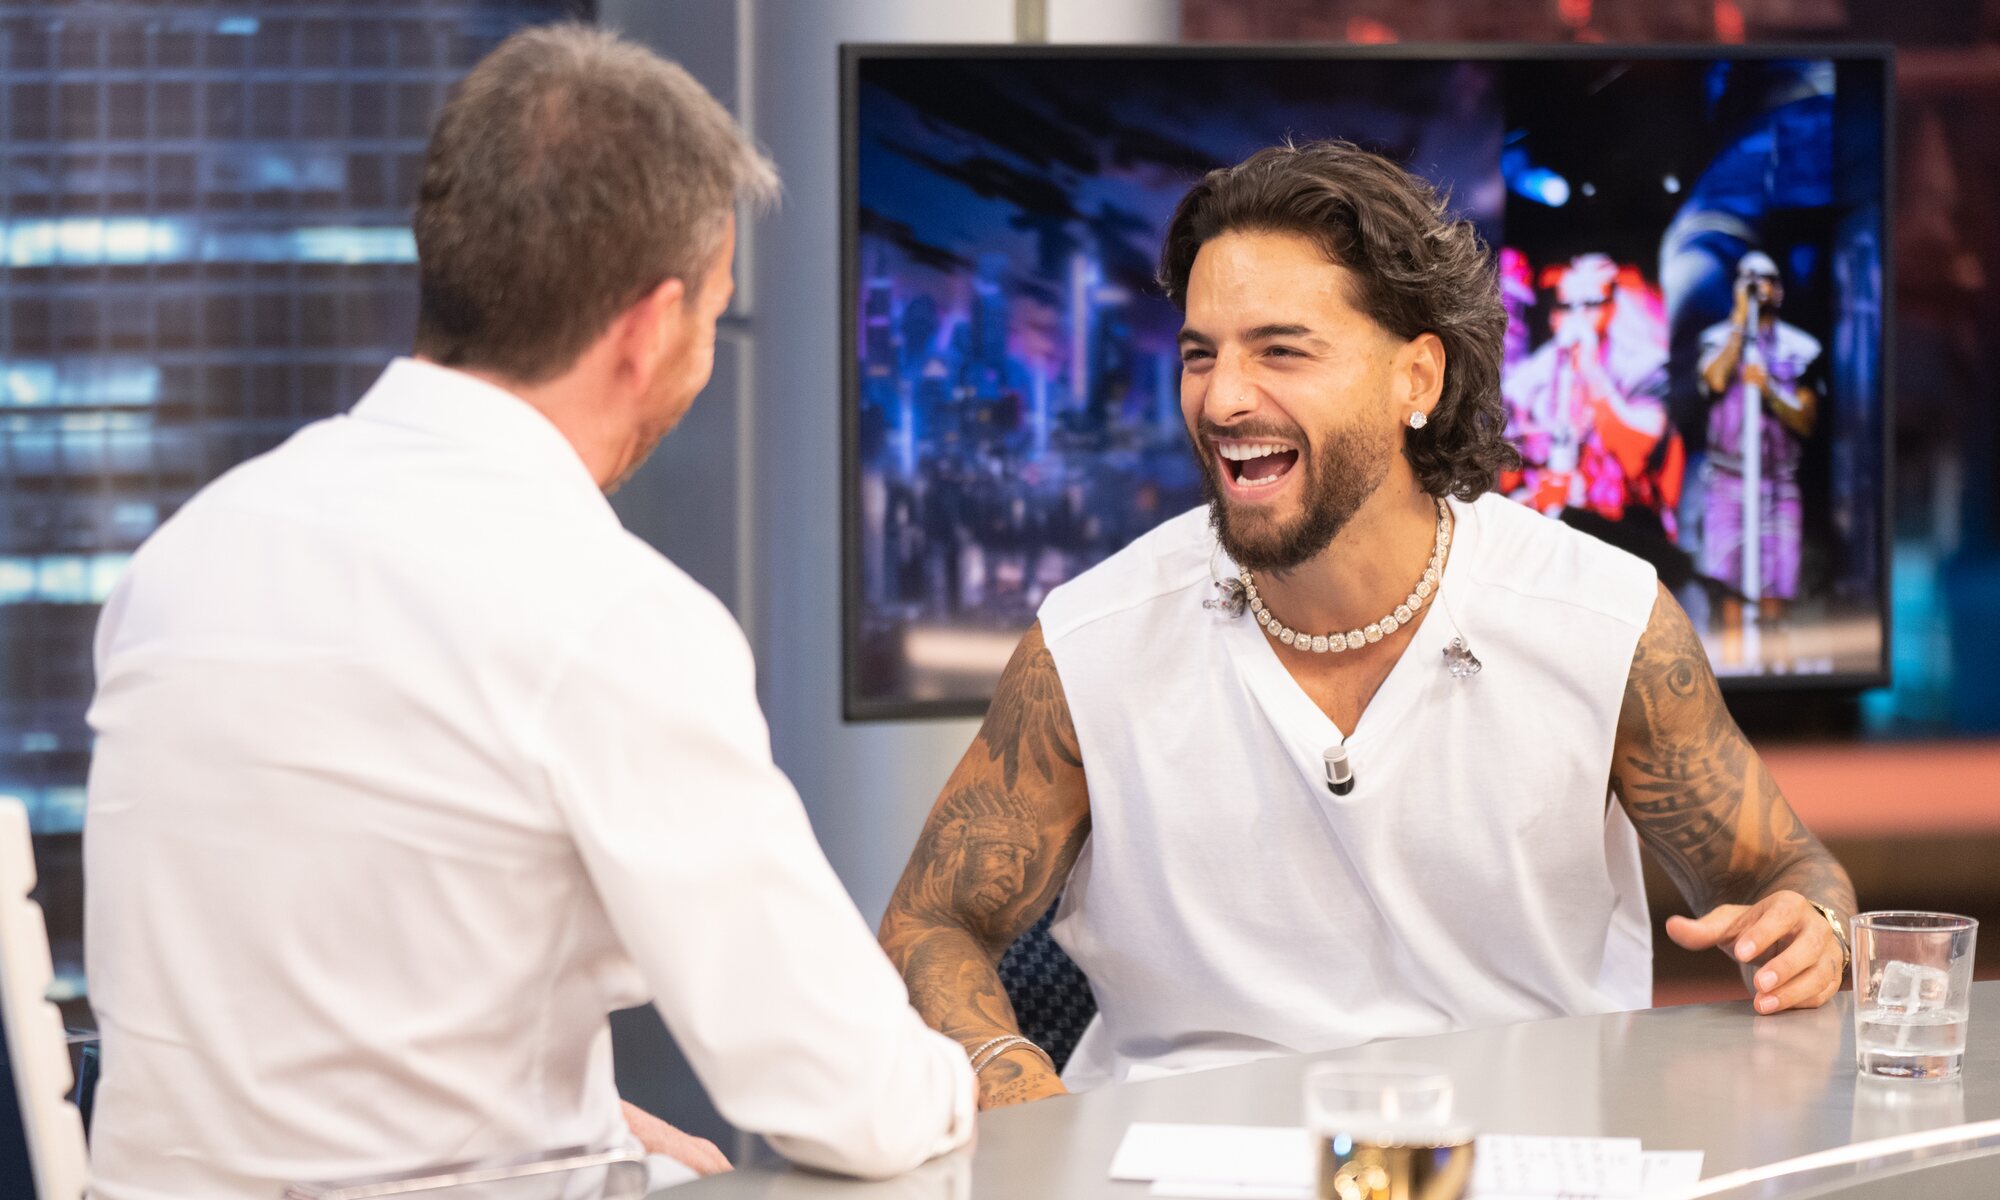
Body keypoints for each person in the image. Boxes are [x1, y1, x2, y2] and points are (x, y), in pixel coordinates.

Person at [83, 25, 972, 1199]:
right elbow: (852, 1098)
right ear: (649, 329)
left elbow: (291, 1004)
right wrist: (968, 1080)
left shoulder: (183, 559)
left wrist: (573, 1119)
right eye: (712, 314)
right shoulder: (609, 619)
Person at [879, 141, 1854, 1108]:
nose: (1222, 398)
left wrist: (1811, 927)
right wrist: (1002, 1071)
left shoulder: (1604, 620)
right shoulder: (1089, 641)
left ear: (1416, 379)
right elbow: (929, 922)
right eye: (1200, 354)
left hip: (1514, 1151)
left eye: (1280, 351)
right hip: (1175, 1158)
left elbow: (1784, 870)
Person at [1696, 251, 1822, 661]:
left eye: (1764, 278)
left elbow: (1806, 420)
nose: (1756, 287)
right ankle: (1735, 680)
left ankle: (1772, 679)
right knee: (1731, 596)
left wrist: (1770, 390)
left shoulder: (1802, 349)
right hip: (1727, 483)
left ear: (1779, 289)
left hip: (1778, 484)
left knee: (1774, 598)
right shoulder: (1715, 340)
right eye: (1746, 278)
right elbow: (1715, 380)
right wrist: (1739, 322)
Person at [1501, 254, 1682, 530]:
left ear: (1612, 307)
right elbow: (1506, 473)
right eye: (1567, 307)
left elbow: (1637, 456)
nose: (1579, 317)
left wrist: (1591, 372)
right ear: (1553, 316)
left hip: (1628, 531)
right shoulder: (1530, 380)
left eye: (1591, 304)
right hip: (1556, 529)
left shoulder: (1643, 368)